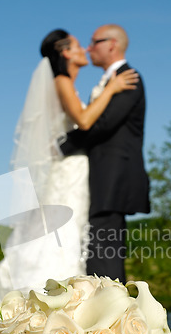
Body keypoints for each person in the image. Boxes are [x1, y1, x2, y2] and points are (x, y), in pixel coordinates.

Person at [0, 29, 138, 334]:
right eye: (77, 44)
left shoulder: (65, 83)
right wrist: (112, 89)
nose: (84, 48)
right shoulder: (62, 82)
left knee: (67, 236)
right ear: (64, 52)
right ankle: (40, 309)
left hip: (72, 172)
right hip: (67, 172)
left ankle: (65, 314)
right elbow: (83, 120)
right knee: (58, 237)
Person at [60, 24, 150, 284]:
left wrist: (61, 146)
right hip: (99, 177)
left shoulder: (129, 78)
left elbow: (103, 124)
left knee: (105, 256)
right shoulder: (111, 81)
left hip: (113, 180)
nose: (89, 48)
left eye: (94, 42)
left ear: (112, 44)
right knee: (96, 252)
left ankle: (112, 320)